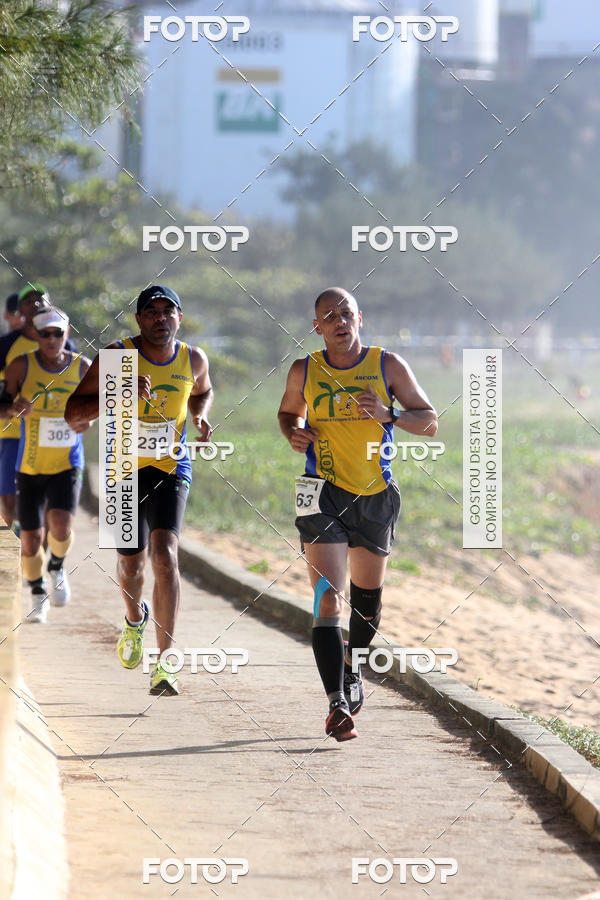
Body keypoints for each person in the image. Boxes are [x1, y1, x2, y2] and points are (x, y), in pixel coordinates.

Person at [277, 287, 438, 741]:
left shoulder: (386, 365)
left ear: (359, 318)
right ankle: (336, 703)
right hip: (320, 492)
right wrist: (294, 432)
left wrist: (390, 414)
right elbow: (288, 413)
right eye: (329, 316)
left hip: (375, 494)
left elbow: (429, 420)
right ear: (318, 328)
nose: (339, 321)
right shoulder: (303, 369)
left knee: (366, 602)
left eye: (345, 313)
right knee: (328, 595)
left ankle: (354, 665)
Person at [65, 285, 214, 695]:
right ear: (138, 320)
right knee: (131, 566)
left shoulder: (193, 358)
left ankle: (166, 664)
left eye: (169, 311)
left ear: (180, 318)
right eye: (151, 311)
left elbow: (202, 392)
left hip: (171, 467)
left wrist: (200, 417)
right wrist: (117, 395)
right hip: (122, 470)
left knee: (165, 555)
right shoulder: (117, 355)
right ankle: (135, 619)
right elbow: (73, 414)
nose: (160, 318)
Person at [0, 308, 91, 623]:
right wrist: (12, 408)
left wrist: (86, 421)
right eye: (45, 334)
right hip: (30, 465)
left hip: (67, 463)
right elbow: (0, 409)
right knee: (29, 538)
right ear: (36, 336)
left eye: (58, 333)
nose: (52, 339)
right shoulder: (20, 366)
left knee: (62, 527)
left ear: (67, 333)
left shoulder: (83, 368)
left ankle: (56, 566)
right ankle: (38, 591)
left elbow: (100, 406)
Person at [0, 285, 75, 530]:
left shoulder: (67, 347)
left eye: (40, 299)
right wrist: (10, 406)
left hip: (51, 436)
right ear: (20, 310)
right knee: (9, 501)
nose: (34, 304)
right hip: (12, 432)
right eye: (28, 301)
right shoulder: (6, 344)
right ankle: (10, 555)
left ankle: (37, 558)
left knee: (45, 505)